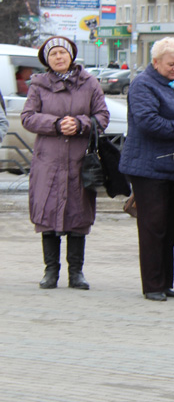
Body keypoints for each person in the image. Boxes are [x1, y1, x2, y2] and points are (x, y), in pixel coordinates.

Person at [21, 36, 110, 291]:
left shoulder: (89, 83)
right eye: (53, 54)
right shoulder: (38, 85)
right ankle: (51, 271)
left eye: (62, 52)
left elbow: (102, 115)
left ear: (71, 55)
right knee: (47, 215)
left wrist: (80, 123)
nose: (58, 57)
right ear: (47, 60)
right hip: (48, 161)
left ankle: (76, 272)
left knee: (78, 215)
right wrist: (56, 124)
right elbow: (28, 117)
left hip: (80, 160)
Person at [120, 37, 174, 301]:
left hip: (173, 165)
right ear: (155, 62)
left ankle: (165, 282)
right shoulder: (143, 85)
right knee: (154, 228)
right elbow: (147, 121)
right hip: (149, 167)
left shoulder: (172, 84)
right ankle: (152, 285)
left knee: (171, 226)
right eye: (171, 64)